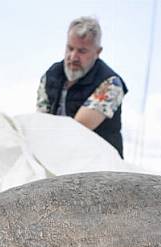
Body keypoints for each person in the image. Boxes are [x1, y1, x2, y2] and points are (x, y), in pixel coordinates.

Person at [37, 16, 128, 157]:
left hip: (100, 164)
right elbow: (41, 123)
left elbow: (78, 130)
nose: (73, 57)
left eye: (82, 51)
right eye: (70, 48)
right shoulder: (51, 76)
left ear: (98, 52)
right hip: (56, 156)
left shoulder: (111, 84)